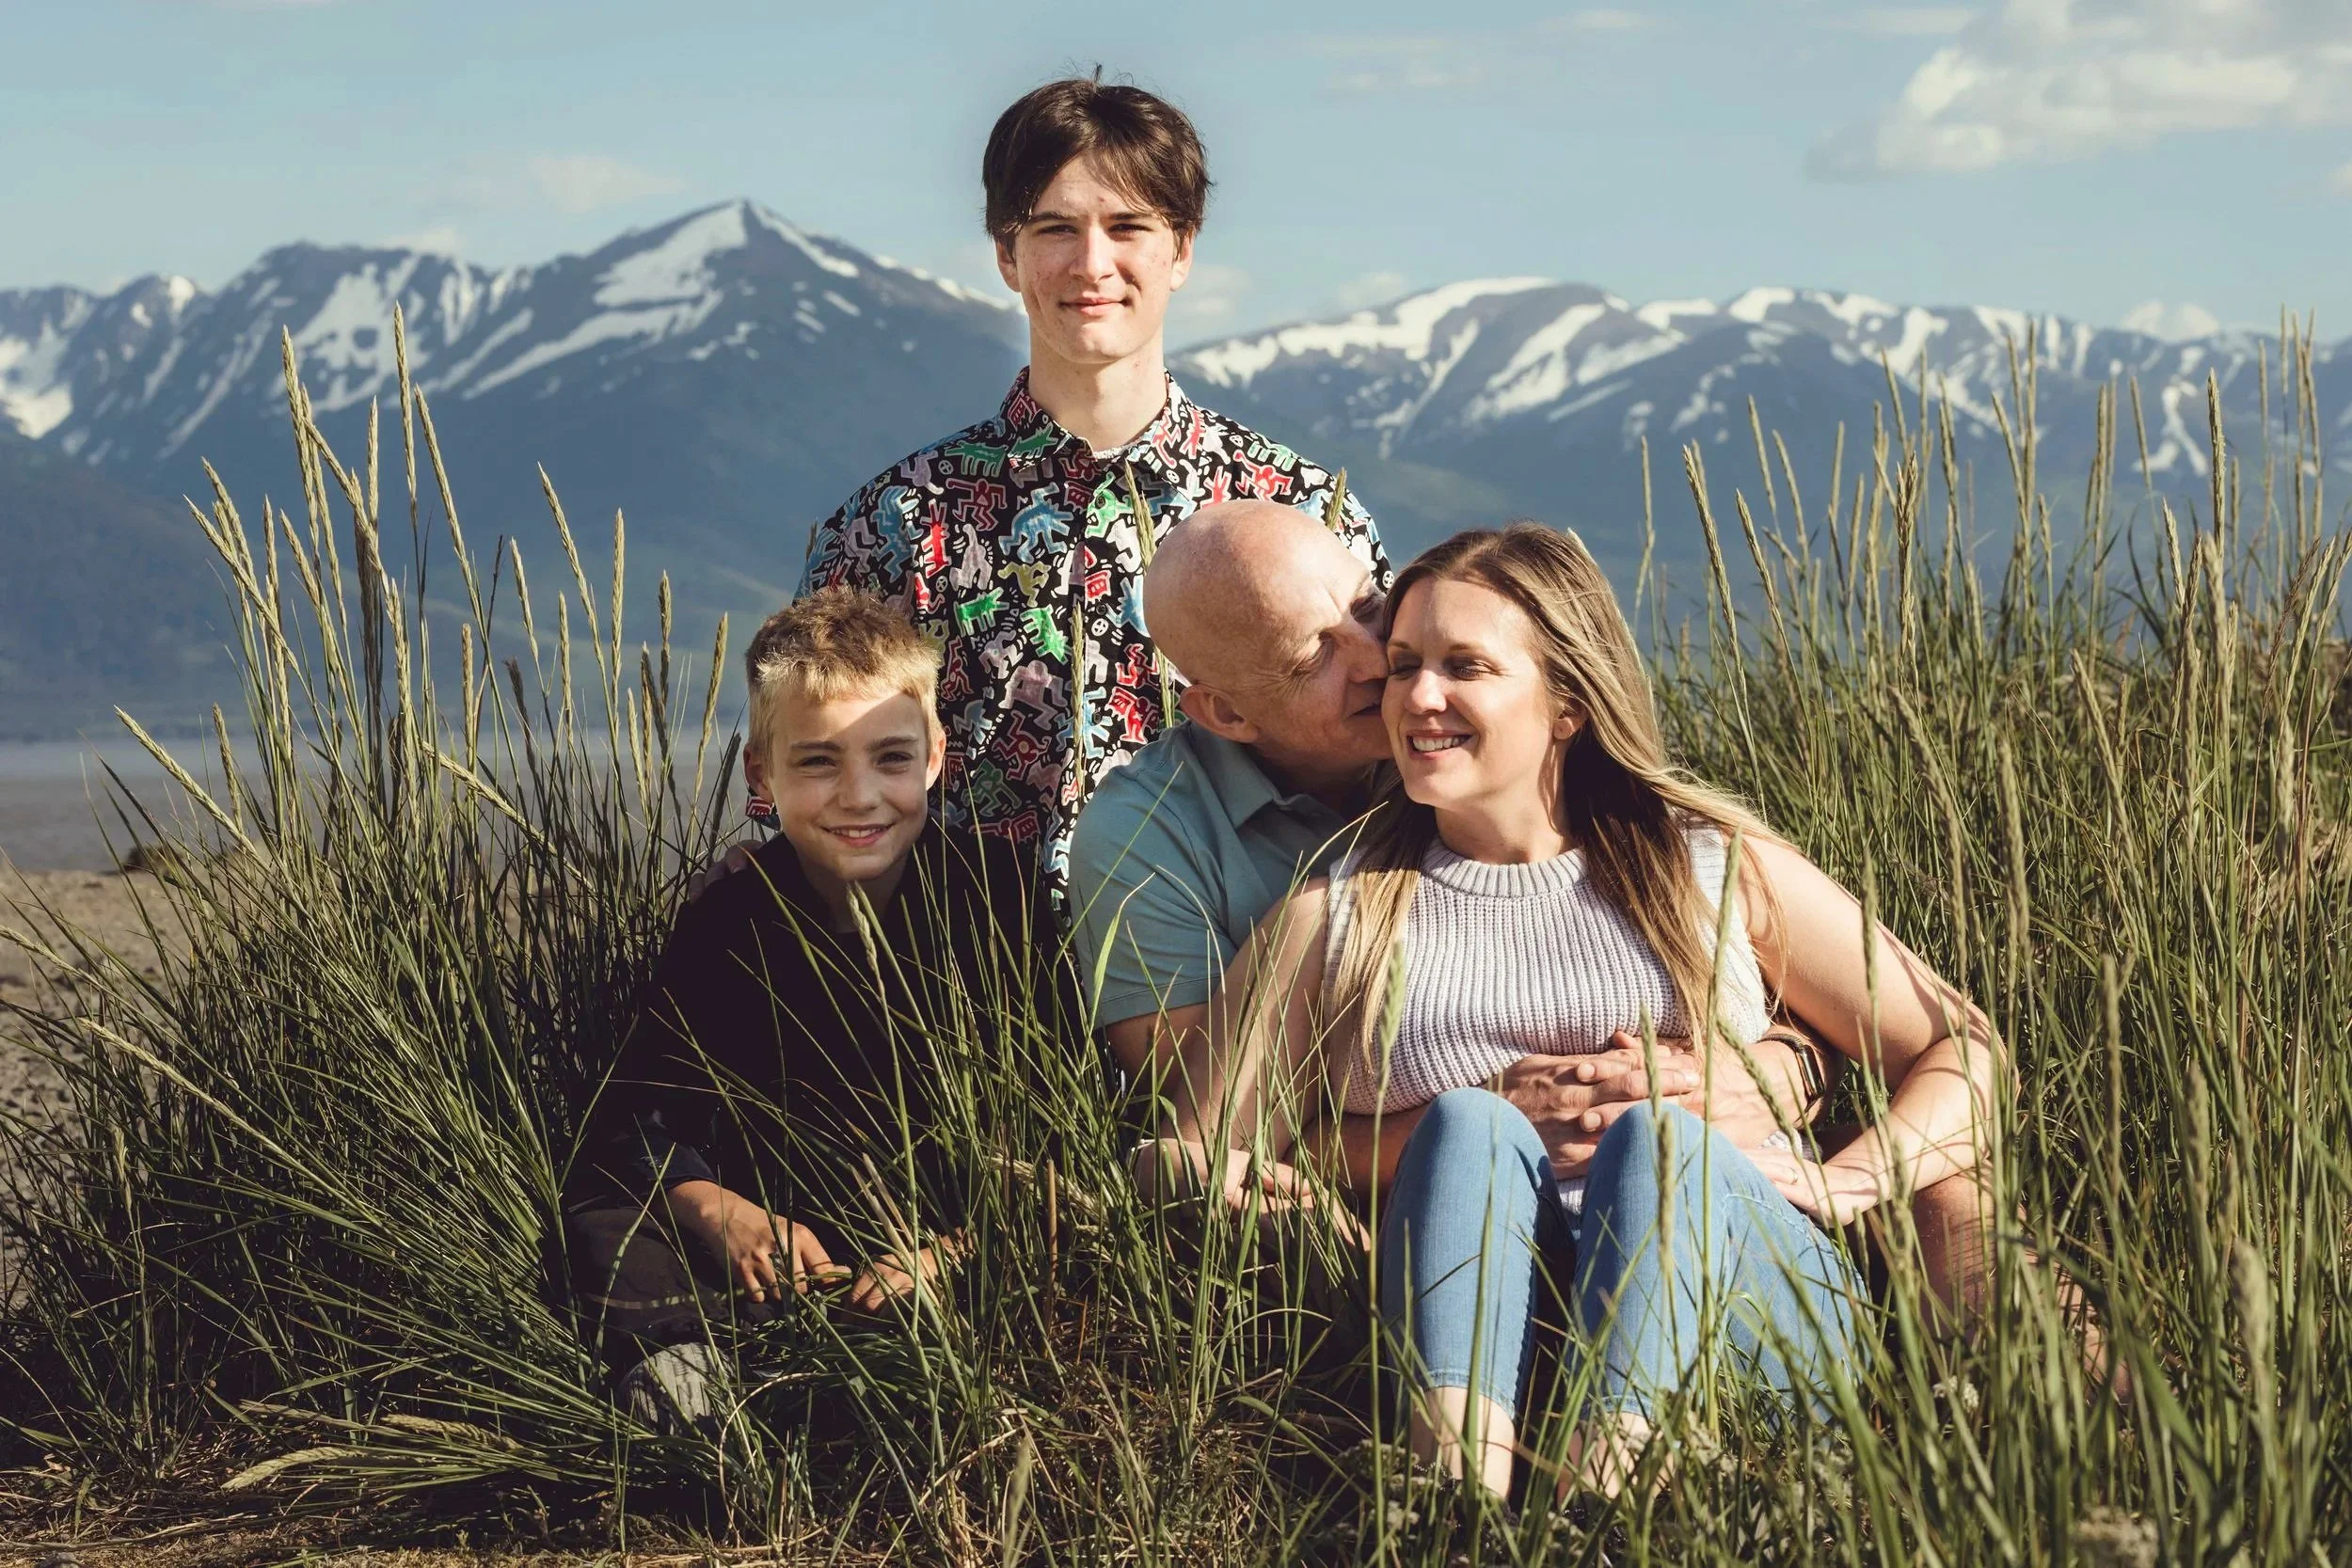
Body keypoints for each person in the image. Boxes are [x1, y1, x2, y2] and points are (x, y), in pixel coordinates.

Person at [1141, 524, 2006, 1499]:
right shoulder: (1335, 914)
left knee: (1659, 1144)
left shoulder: (1706, 864)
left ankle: (1608, 1491)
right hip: (1494, 1337)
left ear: (1566, 704)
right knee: (1471, 1124)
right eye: (1404, 665)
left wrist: (1854, 1179)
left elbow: (1962, 1044)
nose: (1417, 697)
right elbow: (1186, 1153)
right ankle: (1453, 1496)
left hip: (1743, 1311)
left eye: (1464, 666)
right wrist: (1392, 1150)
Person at [1068, 499, 1828, 1185]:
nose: (1381, 665)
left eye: (1369, 607)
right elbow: (1227, 1145)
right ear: (1227, 714)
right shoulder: (1153, 840)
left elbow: (1856, 1017)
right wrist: (1480, 1127)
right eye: (1316, 658)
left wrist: (1781, 1066)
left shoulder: (1489, 758)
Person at [801, 75, 1386, 888]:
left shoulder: (1303, 509)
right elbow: (804, 788)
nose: (1092, 262)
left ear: (1181, 249)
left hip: (1236, 983)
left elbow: (1390, 768)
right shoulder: (894, 523)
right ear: (1006, 254)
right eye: (1054, 228)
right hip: (961, 994)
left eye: (1127, 226)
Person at [567, 589, 1067, 1416]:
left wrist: (948, 1251)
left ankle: (861, 1390)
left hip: (943, 1229)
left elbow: (1059, 1137)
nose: (859, 795)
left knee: (1037, 1238)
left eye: (891, 759)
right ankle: (684, 1379)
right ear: (762, 772)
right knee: (604, 1202)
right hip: (779, 1232)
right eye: (819, 761)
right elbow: (642, 1109)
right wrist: (719, 1211)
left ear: (937, 757)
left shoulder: (997, 899)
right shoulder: (727, 914)